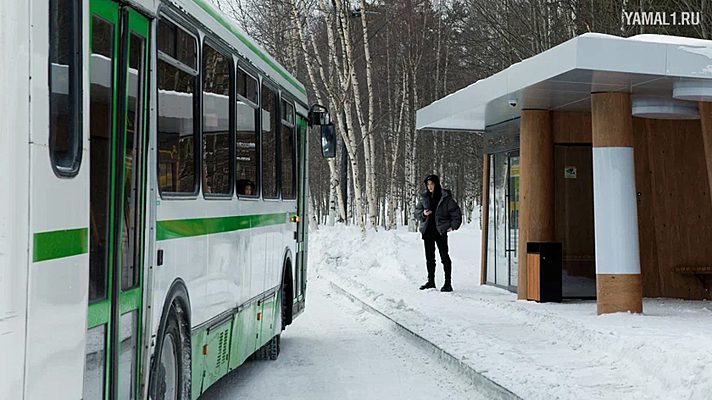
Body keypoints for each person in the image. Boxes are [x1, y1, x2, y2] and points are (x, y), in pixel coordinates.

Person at [414, 174, 463, 292]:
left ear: (436, 184)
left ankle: (447, 283)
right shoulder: (424, 197)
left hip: (440, 231)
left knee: (444, 257)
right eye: (428, 185)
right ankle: (431, 281)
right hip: (427, 231)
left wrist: (452, 226)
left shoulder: (445, 198)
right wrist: (423, 214)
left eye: (432, 184)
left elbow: (456, 213)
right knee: (430, 258)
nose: (430, 187)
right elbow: (416, 212)